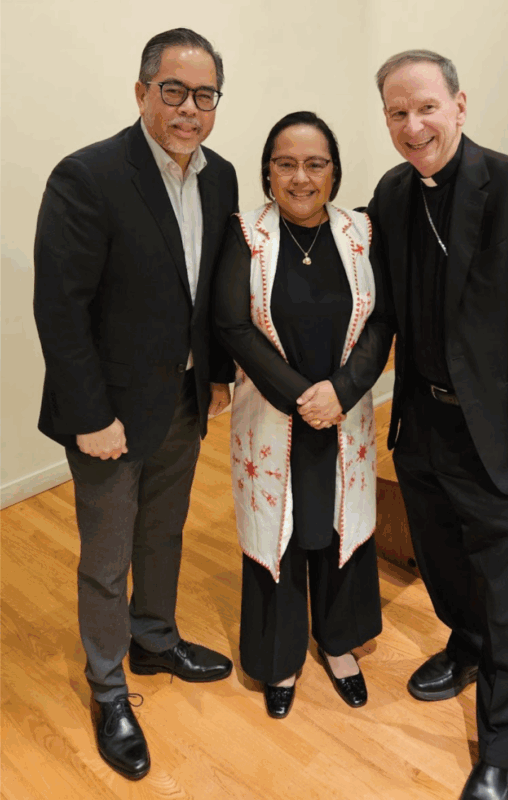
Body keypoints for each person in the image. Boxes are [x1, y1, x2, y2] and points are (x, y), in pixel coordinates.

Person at [367, 50, 508, 800]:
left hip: (495, 431)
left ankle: (502, 745)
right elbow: (387, 314)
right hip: (420, 422)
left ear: (460, 105)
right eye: (398, 112)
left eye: (426, 107)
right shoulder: (392, 194)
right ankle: (463, 645)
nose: (413, 124)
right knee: (444, 563)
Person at [31, 28, 238, 781]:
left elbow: (211, 291)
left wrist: (214, 376)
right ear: (143, 91)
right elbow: (61, 309)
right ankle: (109, 685)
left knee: (164, 532)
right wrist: (92, 416)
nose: (189, 108)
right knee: (106, 556)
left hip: (182, 399)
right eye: (174, 91)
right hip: (107, 414)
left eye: (204, 94)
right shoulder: (88, 176)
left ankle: (155, 638)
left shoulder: (219, 178)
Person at [213, 112, 392, 720]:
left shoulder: (361, 232)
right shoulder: (245, 233)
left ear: (334, 171)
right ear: (268, 170)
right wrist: (300, 396)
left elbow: (381, 320)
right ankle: (278, 656)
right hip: (273, 414)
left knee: (339, 523)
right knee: (279, 533)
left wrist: (341, 391)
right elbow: (232, 325)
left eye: (315, 164)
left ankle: (339, 645)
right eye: (286, 163)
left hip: (345, 414)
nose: (300, 177)